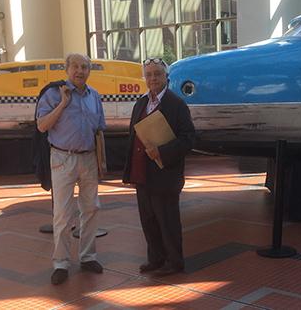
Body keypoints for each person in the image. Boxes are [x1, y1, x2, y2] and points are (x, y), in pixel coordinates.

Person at [36, 53, 106, 285]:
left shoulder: (94, 96)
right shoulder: (54, 93)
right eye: (75, 66)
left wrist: (101, 161)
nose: (80, 70)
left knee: (91, 209)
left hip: (88, 159)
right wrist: (63, 105)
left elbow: (99, 130)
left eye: (84, 67)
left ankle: (87, 257)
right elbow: (42, 126)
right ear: (67, 69)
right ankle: (61, 264)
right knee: (63, 215)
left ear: (89, 71)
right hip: (62, 158)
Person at [123, 57, 195, 277]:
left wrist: (162, 152)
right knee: (149, 220)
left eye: (157, 74)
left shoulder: (177, 104)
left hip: (165, 174)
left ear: (166, 77)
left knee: (167, 221)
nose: (153, 78)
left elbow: (189, 139)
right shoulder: (141, 103)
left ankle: (175, 262)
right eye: (149, 74)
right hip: (142, 173)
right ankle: (156, 259)